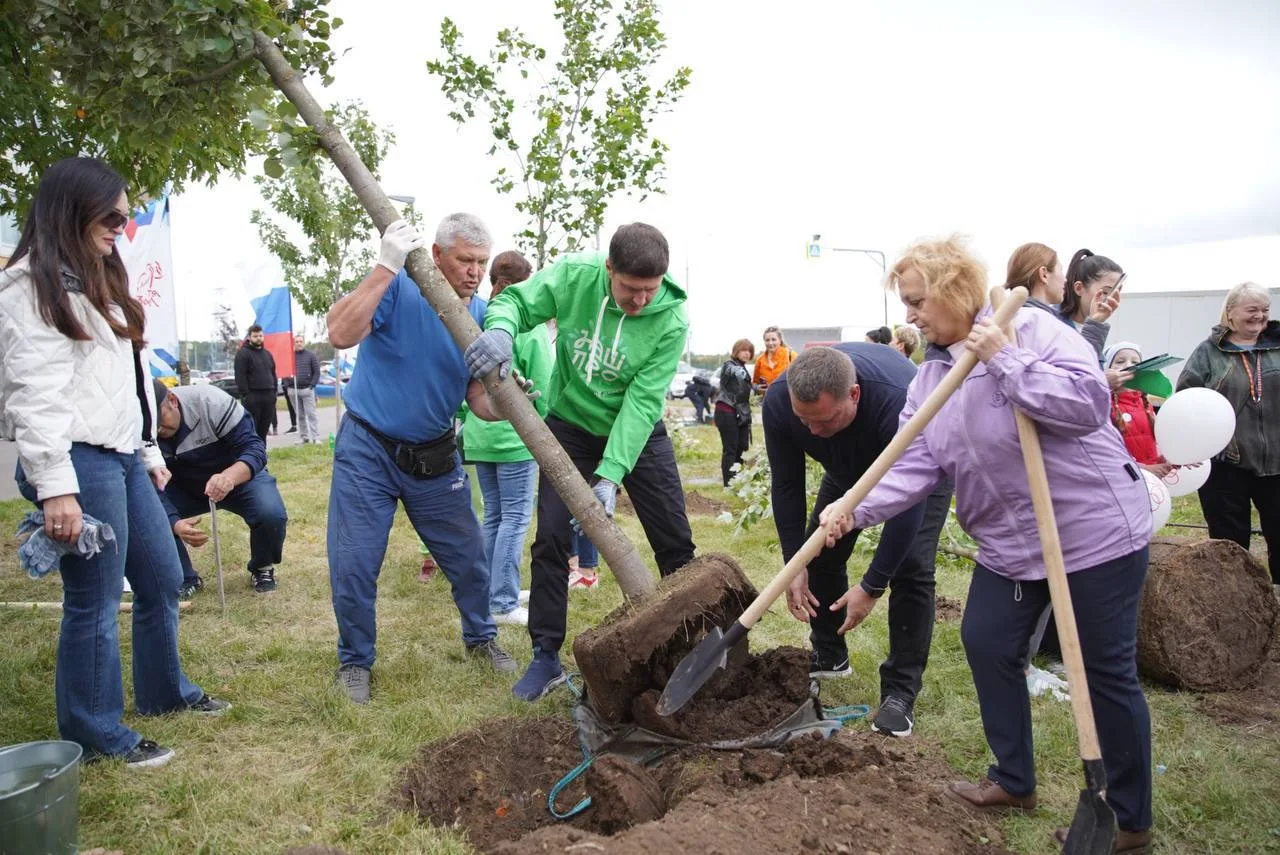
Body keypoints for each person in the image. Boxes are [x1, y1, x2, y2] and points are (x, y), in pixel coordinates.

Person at [822, 236, 1152, 850]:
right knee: (986, 640)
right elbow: (915, 464)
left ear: (953, 290)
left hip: (1091, 530)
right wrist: (853, 510)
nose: (911, 316)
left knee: (1103, 671)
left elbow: (1087, 405)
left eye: (918, 301)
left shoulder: (1032, 331)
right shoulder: (930, 379)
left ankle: (1129, 817)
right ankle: (1014, 779)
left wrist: (1005, 359)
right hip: (1010, 543)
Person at [0, 157, 226, 768]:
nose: (122, 228)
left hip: (122, 455)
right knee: (95, 601)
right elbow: (34, 394)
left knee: (163, 578)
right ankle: (96, 735)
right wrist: (55, 488)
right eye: (112, 216)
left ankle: (163, 694)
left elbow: (126, 381)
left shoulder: (93, 279)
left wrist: (149, 450)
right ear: (71, 208)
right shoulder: (30, 285)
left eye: (127, 218)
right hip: (76, 461)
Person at [465, 222, 697, 702]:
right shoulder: (575, 276)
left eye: (649, 291)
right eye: (631, 290)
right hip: (570, 425)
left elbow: (641, 403)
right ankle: (545, 657)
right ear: (609, 268)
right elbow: (513, 301)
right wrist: (502, 332)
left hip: (637, 431)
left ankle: (692, 649)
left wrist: (611, 474)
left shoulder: (671, 319)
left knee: (674, 539)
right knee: (550, 537)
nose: (640, 302)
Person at [325, 213, 517, 704]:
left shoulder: (477, 319)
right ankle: (355, 663)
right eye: (464, 260)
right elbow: (340, 333)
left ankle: (482, 639)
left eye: (481, 262)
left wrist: (511, 403)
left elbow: (477, 400)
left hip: (434, 457)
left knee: (471, 560)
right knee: (354, 564)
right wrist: (385, 266)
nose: (475, 272)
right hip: (368, 449)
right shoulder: (399, 287)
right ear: (436, 256)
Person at [765, 344, 951, 738]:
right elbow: (786, 485)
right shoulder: (780, 401)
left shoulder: (896, 399)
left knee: (912, 567)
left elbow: (907, 504)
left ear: (854, 395)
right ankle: (831, 654)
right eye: (805, 422)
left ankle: (900, 692)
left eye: (824, 421)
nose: (813, 433)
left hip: (918, 465)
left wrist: (872, 586)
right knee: (820, 548)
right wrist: (793, 563)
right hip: (850, 468)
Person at [465, 250, 554, 626]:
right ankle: (502, 602)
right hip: (515, 439)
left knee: (494, 517)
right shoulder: (528, 327)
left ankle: (495, 590)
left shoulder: (480, 318)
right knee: (515, 518)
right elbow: (544, 384)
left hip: (479, 434)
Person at [1177, 282, 1279, 584]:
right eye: (1251, 309)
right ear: (1230, 313)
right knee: (1229, 545)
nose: (1259, 316)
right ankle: (1234, 607)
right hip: (1226, 462)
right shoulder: (1208, 352)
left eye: (1264, 310)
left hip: (1277, 462)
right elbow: (1185, 399)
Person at [152, 380, 288, 596]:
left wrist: (229, 477)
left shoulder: (212, 402)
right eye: (152, 426)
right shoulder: (139, 429)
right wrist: (173, 523)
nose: (158, 430)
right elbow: (148, 486)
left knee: (271, 513)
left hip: (236, 476)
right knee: (148, 515)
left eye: (161, 420)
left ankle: (262, 566)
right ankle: (185, 577)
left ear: (172, 400)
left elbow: (255, 449)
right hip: (181, 486)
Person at [1004, 243, 1123, 361]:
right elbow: (1077, 371)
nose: (1065, 279)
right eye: (1060, 270)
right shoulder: (1037, 322)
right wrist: (1095, 324)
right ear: (1044, 274)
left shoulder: (1015, 318)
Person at [714, 338, 755, 487]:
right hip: (726, 410)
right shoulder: (729, 365)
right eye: (743, 350)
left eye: (749, 351)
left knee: (743, 446)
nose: (746, 353)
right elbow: (735, 372)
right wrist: (746, 377)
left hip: (741, 413)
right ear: (736, 351)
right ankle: (729, 484)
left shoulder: (743, 367)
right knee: (730, 449)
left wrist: (757, 387)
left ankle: (738, 479)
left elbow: (745, 386)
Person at [234, 323, 277, 442]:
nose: (258, 338)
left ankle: (262, 455)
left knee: (264, 430)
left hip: (268, 396)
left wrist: (274, 393)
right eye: (255, 336)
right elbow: (240, 376)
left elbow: (273, 373)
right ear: (249, 337)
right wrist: (246, 395)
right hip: (252, 396)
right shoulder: (243, 354)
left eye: (260, 335)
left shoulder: (267, 354)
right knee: (252, 430)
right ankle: (252, 456)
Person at [291, 333, 321, 444]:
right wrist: (288, 385)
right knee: (299, 415)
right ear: (294, 343)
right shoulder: (291, 356)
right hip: (293, 390)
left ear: (303, 342)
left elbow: (317, 372)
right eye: (297, 341)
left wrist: (311, 386)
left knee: (311, 414)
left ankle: (315, 437)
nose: (299, 343)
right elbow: (286, 373)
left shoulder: (311, 355)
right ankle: (304, 437)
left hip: (307, 390)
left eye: (300, 341)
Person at [752, 325, 796, 391]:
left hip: (786, 399)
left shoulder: (791, 355)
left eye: (773, 339)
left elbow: (799, 379)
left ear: (780, 340)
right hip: (767, 399)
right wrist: (757, 388)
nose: (770, 343)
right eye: (767, 340)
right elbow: (755, 383)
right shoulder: (760, 360)